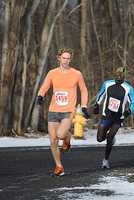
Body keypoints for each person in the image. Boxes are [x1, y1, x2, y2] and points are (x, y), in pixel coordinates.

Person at [37, 48, 89, 176]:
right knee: (53, 140)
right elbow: (45, 85)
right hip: (53, 110)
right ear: (59, 58)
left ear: (70, 59)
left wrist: (84, 106)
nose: (66, 60)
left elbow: (83, 90)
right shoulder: (52, 73)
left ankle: (67, 138)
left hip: (68, 110)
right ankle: (59, 166)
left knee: (60, 134)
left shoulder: (76, 74)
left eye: (68, 58)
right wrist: (40, 95)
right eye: (64, 58)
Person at [94, 66, 134, 169]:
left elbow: (133, 103)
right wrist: (96, 105)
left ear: (124, 76)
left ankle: (105, 161)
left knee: (110, 137)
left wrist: (128, 112)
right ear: (114, 74)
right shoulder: (107, 84)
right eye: (117, 74)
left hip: (118, 118)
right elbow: (100, 94)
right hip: (106, 115)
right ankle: (109, 139)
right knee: (99, 139)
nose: (119, 76)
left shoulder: (128, 88)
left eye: (121, 75)